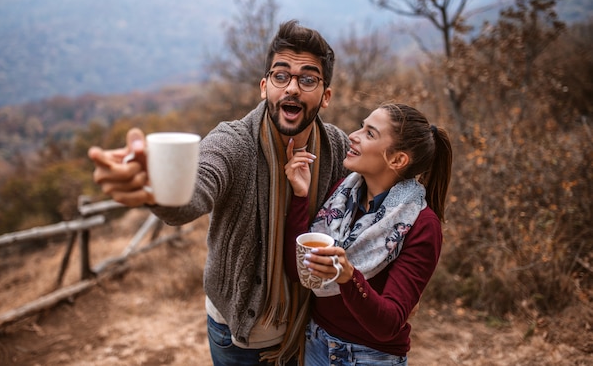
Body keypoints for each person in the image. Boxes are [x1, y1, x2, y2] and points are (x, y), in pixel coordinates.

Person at [88, 20, 350, 365]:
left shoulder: (337, 148)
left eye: (308, 79)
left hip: (309, 327)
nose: (292, 88)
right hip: (239, 335)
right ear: (264, 86)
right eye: (281, 75)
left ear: (325, 95)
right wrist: (155, 186)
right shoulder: (233, 142)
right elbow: (195, 193)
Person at [284, 103, 452, 366]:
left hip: (369, 357)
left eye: (370, 133)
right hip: (316, 343)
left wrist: (348, 277)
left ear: (397, 160)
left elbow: (389, 323)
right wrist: (300, 195)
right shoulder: (344, 194)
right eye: (362, 126)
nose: (353, 135)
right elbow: (298, 272)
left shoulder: (421, 224)